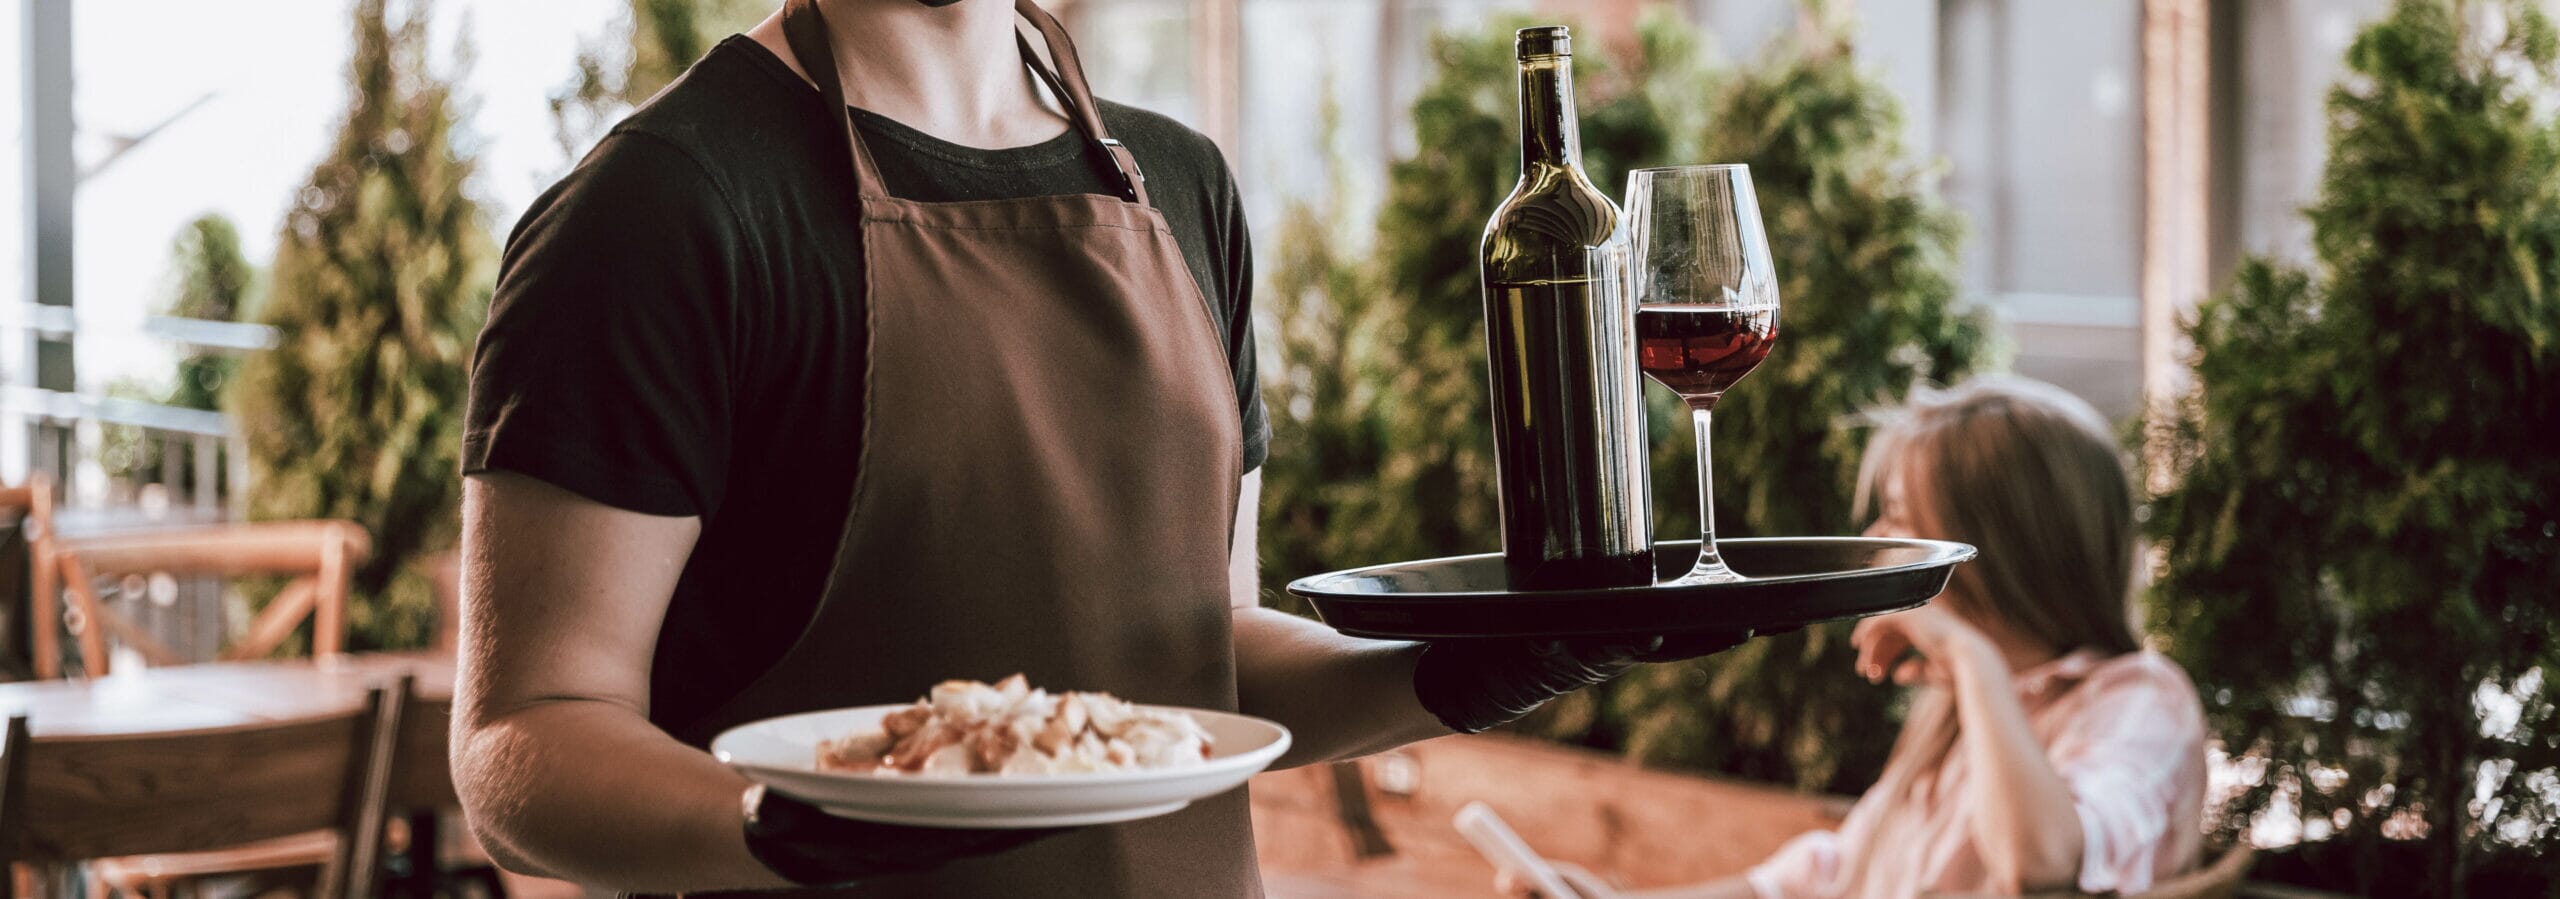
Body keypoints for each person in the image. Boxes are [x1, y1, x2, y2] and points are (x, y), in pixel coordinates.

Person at [450, 1, 1745, 896]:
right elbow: (525, 737)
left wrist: (1486, 663)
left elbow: (1197, 659)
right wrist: (780, 825)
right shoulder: (661, 215)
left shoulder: (1180, 185)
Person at [1500, 376, 2208, 899]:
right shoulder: (1962, 714)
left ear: (2002, 545)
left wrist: (1970, 655)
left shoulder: (2139, 701)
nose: (1876, 542)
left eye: (1901, 518)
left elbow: (2043, 861)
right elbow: (1827, 876)